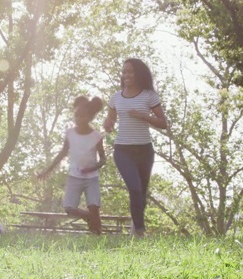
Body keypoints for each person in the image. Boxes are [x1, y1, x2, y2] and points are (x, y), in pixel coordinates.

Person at [103, 58, 168, 237]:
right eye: (124, 72)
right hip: (123, 150)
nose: (126, 75)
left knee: (142, 193)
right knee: (135, 188)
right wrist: (107, 124)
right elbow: (110, 120)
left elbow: (164, 123)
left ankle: (135, 227)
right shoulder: (116, 97)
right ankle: (140, 232)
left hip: (145, 151)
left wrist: (143, 116)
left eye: (130, 71)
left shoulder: (149, 95)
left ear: (139, 74)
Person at [38, 96, 106, 234]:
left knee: (94, 207)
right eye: (76, 116)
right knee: (69, 208)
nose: (79, 119)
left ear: (89, 117)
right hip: (74, 176)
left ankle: (98, 236)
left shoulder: (96, 136)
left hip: (91, 178)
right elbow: (62, 154)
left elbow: (103, 159)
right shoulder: (70, 134)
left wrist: (93, 168)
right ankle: (88, 217)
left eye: (82, 116)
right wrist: (47, 171)